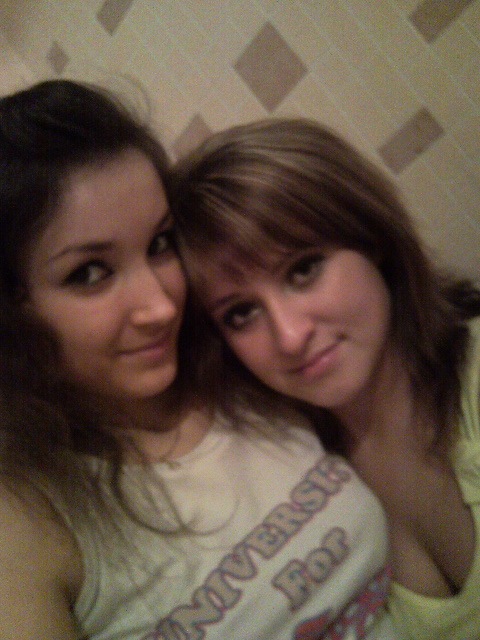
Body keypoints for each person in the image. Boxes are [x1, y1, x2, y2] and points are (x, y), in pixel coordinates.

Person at [0, 81, 399, 640]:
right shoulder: (27, 517)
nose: (162, 307)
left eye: (160, 244)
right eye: (90, 273)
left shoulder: (240, 363)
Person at [170, 117, 480, 640]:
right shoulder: (303, 485)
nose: (290, 337)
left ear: (372, 237)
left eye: (303, 269)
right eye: (241, 313)